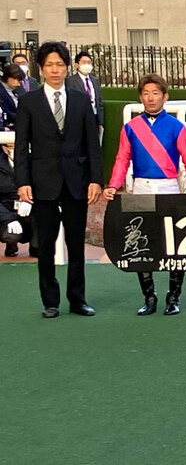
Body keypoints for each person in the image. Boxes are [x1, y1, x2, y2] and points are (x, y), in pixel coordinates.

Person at [15, 41, 103, 318]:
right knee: (46, 245)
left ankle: (77, 300)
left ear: (67, 68)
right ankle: (50, 302)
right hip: (43, 184)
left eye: (60, 65)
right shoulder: (29, 102)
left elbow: (92, 144)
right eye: (50, 65)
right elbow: (21, 146)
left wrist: (95, 180)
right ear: (41, 69)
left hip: (77, 182)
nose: (55, 70)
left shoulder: (80, 100)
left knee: (76, 243)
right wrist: (23, 181)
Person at [103, 74, 186, 316]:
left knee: (175, 245)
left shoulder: (176, 127)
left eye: (155, 93)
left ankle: (174, 297)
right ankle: (149, 296)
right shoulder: (131, 128)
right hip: (141, 188)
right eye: (146, 93)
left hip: (169, 188)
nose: (151, 98)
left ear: (165, 97)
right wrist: (114, 185)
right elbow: (122, 159)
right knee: (140, 243)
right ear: (140, 97)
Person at [0, 142, 36, 258]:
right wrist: (8, 219)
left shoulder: (34, 159)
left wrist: (29, 200)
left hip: (28, 205)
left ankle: (36, 246)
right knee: (11, 234)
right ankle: (11, 244)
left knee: (44, 215)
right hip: (6, 208)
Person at [65, 51, 105, 141]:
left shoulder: (95, 80)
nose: (87, 65)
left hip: (94, 117)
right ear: (77, 65)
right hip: (79, 119)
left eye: (89, 62)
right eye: (84, 62)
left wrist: (101, 122)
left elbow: (99, 101)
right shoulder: (70, 81)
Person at [0, 63, 24, 129]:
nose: (19, 84)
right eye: (18, 80)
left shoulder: (19, 90)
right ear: (9, 77)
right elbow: (6, 113)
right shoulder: (1, 92)